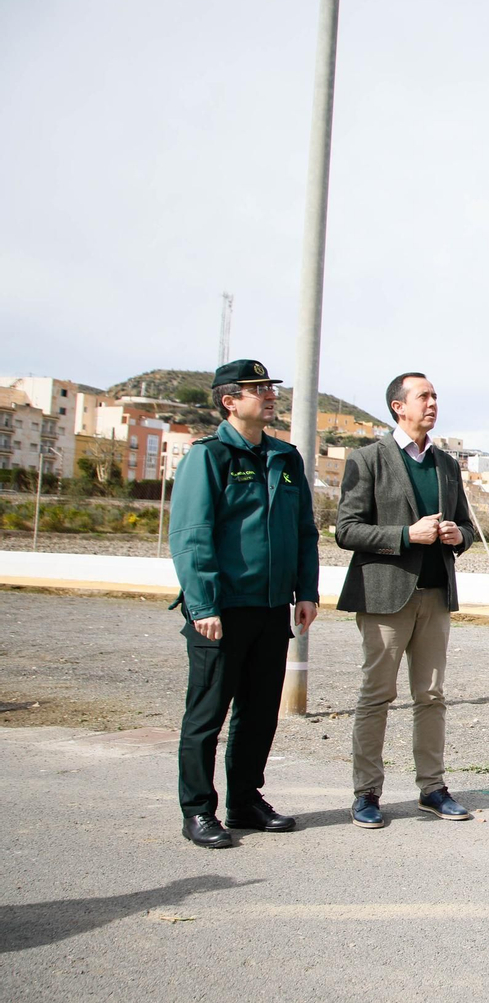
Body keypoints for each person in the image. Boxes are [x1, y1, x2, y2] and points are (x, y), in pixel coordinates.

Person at [168, 359, 319, 849]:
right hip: (222, 611)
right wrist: (204, 604)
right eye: (258, 389)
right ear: (229, 400)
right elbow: (191, 537)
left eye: (270, 388)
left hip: (273, 608)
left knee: (258, 714)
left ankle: (244, 802)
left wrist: (307, 592)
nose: (270, 395)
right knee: (207, 714)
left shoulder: (285, 457)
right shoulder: (208, 457)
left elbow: (304, 533)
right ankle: (198, 811)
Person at [336, 372, 477, 828]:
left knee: (431, 695)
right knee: (376, 695)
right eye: (424, 396)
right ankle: (366, 794)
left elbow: (466, 527)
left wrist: (459, 536)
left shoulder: (447, 466)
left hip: (435, 596)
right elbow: (347, 529)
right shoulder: (368, 458)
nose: (433, 402)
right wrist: (404, 535)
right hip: (384, 596)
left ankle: (432, 789)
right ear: (399, 407)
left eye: (436, 394)